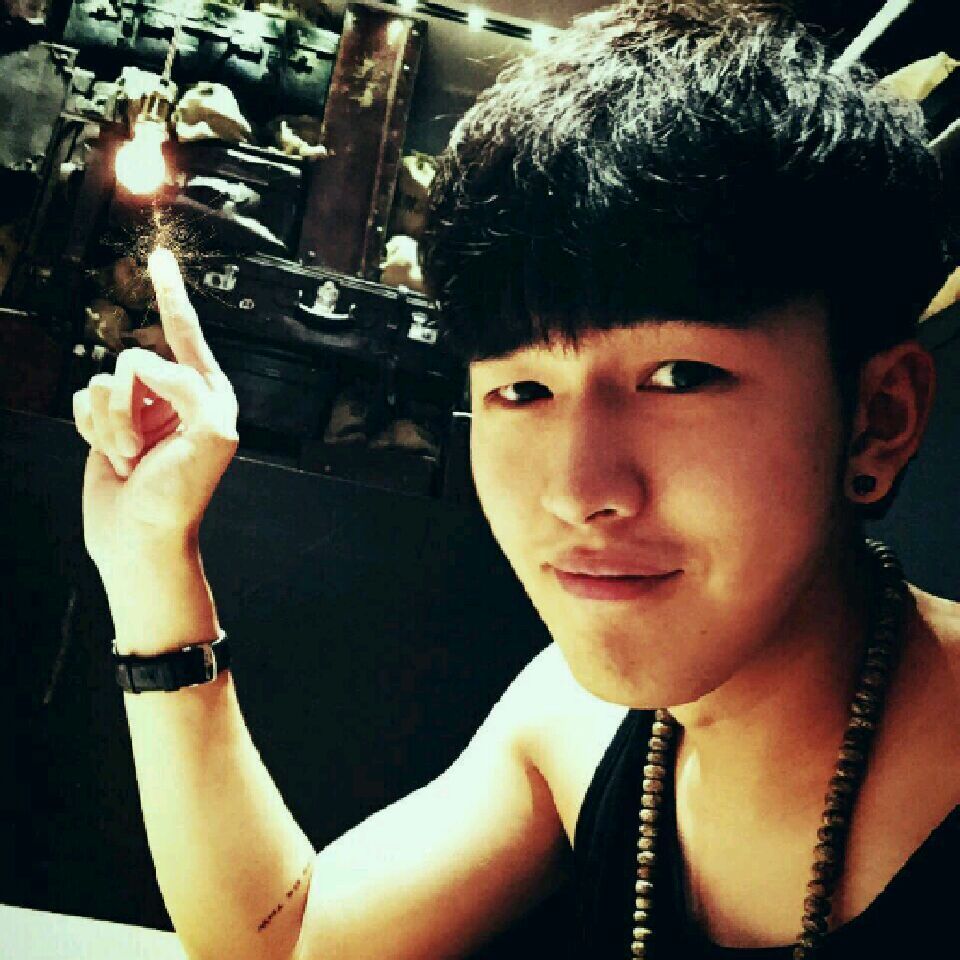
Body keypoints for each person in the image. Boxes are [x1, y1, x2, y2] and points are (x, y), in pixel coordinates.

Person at [71, 2, 958, 958]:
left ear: (878, 419)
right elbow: (289, 941)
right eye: (522, 390)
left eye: (679, 376)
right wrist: (151, 566)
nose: (577, 490)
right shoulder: (579, 723)